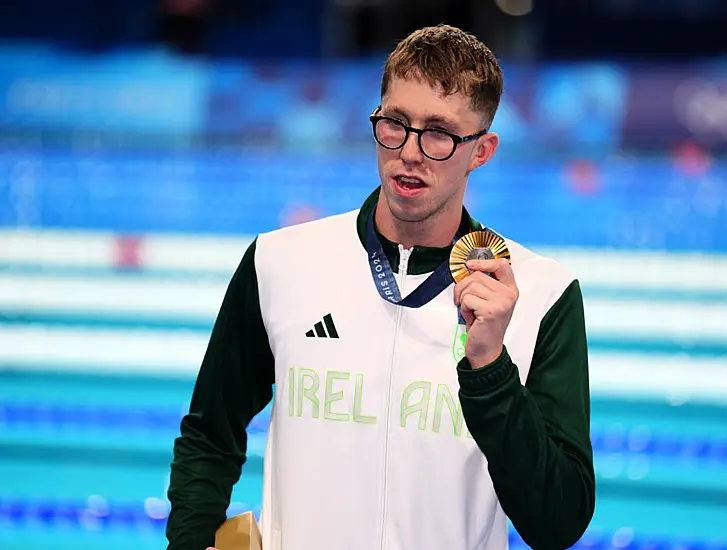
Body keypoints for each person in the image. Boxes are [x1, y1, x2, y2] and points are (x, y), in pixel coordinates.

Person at [166, 24, 595, 550]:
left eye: (439, 133)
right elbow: (211, 434)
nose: (410, 152)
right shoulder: (279, 262)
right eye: (395, 123)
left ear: (481, 151)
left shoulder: (544, 295)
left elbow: (559, 524)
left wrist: (491, 370)